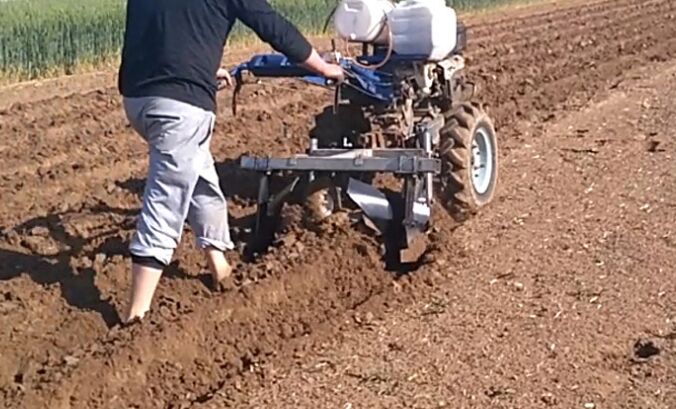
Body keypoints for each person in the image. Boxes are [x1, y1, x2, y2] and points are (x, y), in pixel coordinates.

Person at [118, 0, 344, 324]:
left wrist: (201, 68)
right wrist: (323, 68)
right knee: (165, 200)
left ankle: (219, 266)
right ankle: (135, 316)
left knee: (199, 178)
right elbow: (271, 26)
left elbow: (162, 29)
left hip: (138, 101)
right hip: (180, 107)